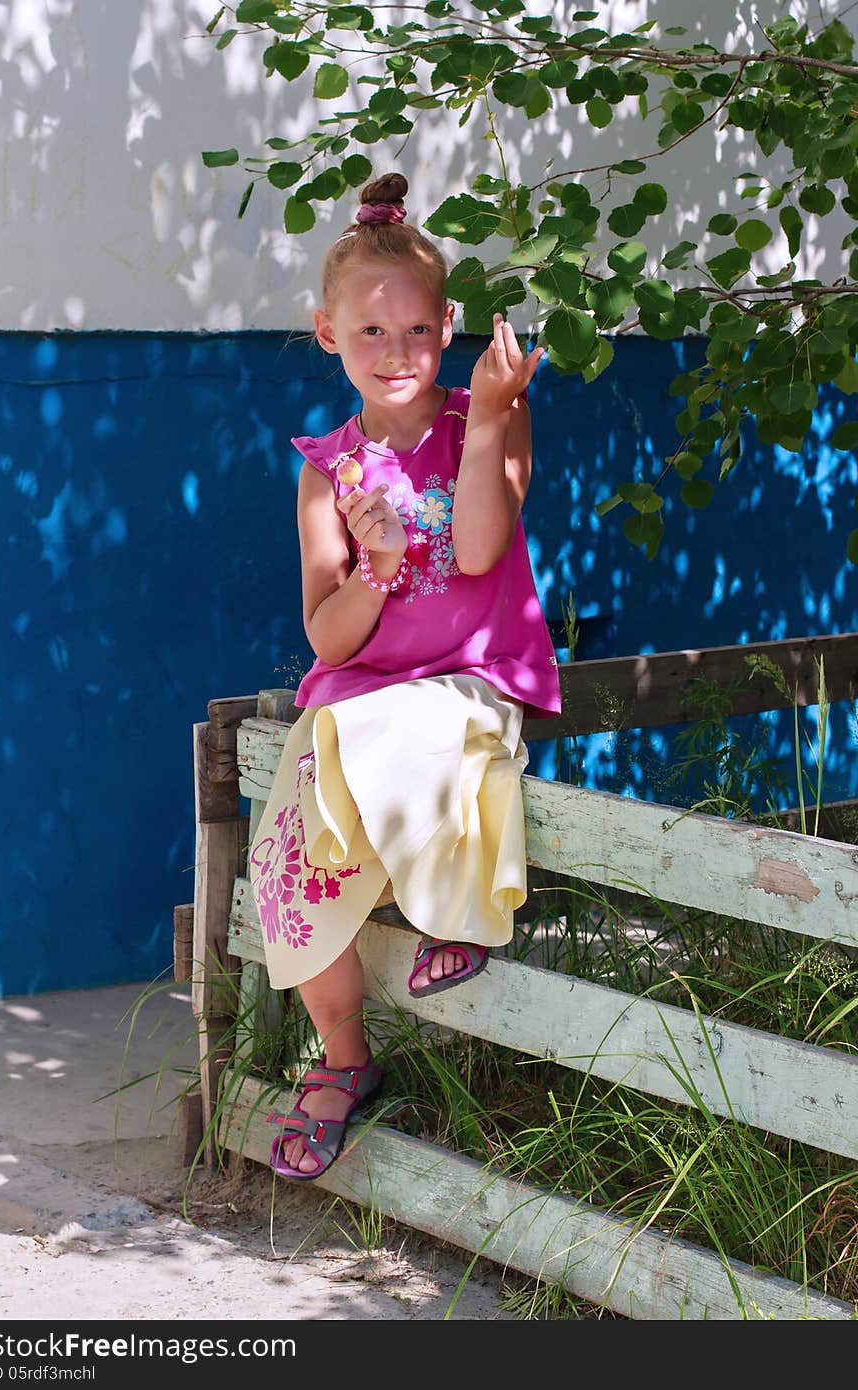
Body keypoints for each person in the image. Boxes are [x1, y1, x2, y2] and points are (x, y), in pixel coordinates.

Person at [249, 171, 562, 1179]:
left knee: (405, 741)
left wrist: (486, 428)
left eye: (417, 332)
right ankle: (344, 1061)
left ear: (448, 326)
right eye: (370, 334)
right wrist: (376, 571)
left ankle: (457, 907)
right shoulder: (324, 468)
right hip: (361, 690)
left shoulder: (491, 413)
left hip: (468, 674)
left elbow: (477, 551)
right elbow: (329, 638)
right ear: (328, 331)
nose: (396, 355)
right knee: (285, 851)